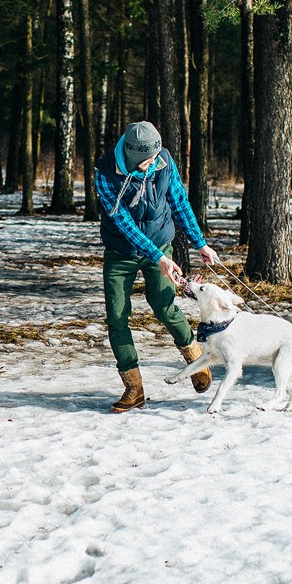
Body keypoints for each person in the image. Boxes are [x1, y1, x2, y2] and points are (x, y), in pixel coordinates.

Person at [94, 121, 218, 413]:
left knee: (164, 306)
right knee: (117, 316)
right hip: (120, 250)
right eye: (147, 160)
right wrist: (157, 258)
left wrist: (199, 243)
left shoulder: (163, 161)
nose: (153, 163)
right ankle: (133, 387)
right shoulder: (105, 172)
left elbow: (178, 201)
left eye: (155, 156)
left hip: (160, 242)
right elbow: (123, 222)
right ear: (131, 155)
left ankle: (195, 357)